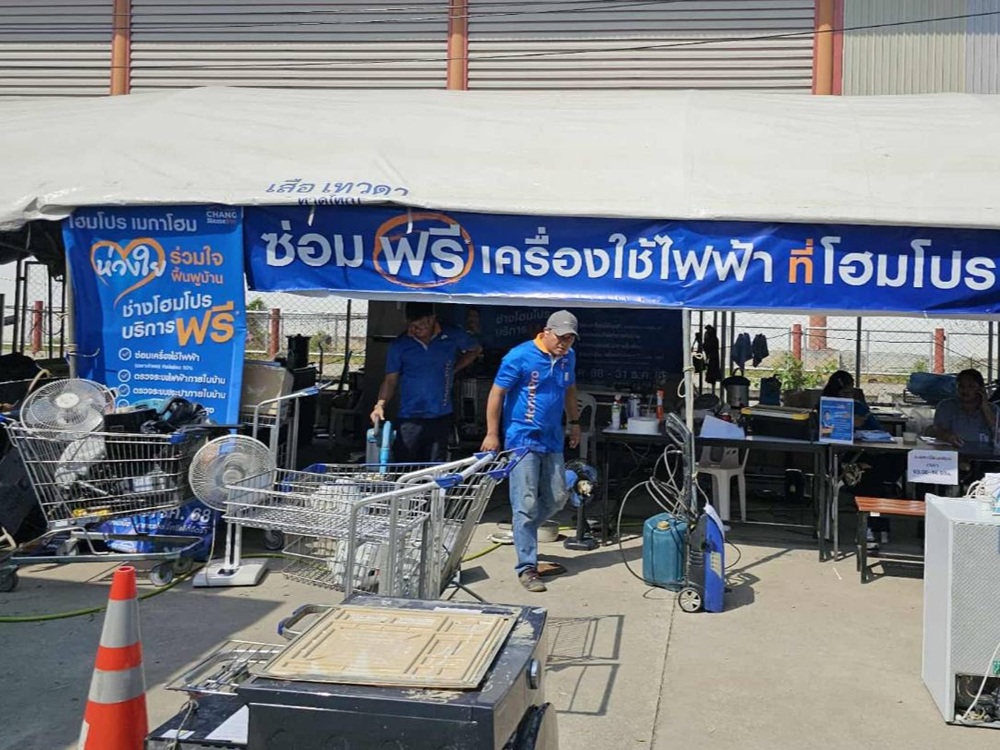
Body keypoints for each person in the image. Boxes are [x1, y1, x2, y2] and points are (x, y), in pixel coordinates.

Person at [481, 310, 581, 593]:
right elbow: (497, 393)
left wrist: (574, 422)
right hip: (522, 439)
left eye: (570, 339)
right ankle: (527, 567)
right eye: (560, 337)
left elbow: (570, 390)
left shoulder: (568, 358)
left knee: (558, 496)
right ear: (547, 332)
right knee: (525, 503)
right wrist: (492, 433)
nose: (564, 343)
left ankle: (523, 531)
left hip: (552, 438)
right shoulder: (519, 356)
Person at [370, 302, 482, 463]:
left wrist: (454, 368)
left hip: (440, 415)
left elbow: (475, 349)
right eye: (411, 326)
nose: (414, 330)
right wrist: (380, 405)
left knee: (435, 466)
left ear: (432, 320)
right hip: (409, 417)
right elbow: (390, 380)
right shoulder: (400, 345)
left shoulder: (452, 336)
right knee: (405, 465)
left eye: (420, 325)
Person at [931, 368, 999, 448]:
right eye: (961, 386)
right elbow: (937, 430)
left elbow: (997, 432)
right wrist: (948, 437)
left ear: (981, 389)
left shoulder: (994, 409)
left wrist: (985, 407)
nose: (965, 390)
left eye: (971, 386)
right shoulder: (946, 406)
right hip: (953, 452)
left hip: (985, 454)